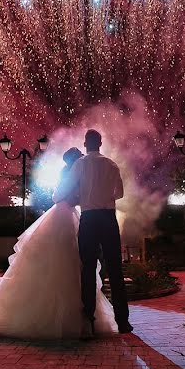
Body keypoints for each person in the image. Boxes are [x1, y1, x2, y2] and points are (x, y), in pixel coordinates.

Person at [0, 146, 117, 340]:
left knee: (66, 263)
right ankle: (74, 316)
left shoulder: (73, 174)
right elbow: (65, 197)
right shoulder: (75, 175)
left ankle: (76, 315)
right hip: (65, 217)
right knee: (65, 262)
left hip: (66, 215)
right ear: (75, 161)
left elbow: (62, 196)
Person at [55, 129, 132, 337]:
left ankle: (89, 321)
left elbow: (62, 192)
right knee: (115, 269)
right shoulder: (111, 164)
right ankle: (123, 321)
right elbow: (120, 193)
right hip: (108, 218)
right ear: (100, 142)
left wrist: (65, 197)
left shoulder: (80, 164)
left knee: (88, 269)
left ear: (85, 143)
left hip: (89, 219)